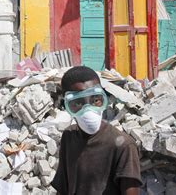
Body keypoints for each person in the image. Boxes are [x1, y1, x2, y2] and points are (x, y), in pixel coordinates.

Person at [51, 66, 142, 195]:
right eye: (78, 103)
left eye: (96, 100)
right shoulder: (69, 137)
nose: (88, 109)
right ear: (67, 106)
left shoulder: (124, 146)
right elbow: (64, 188)